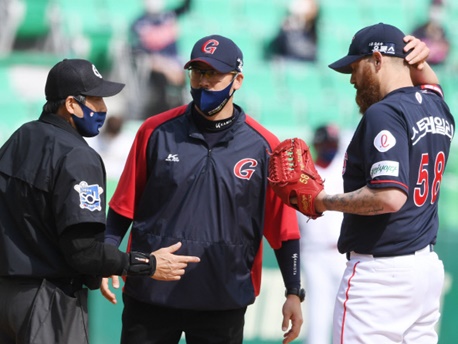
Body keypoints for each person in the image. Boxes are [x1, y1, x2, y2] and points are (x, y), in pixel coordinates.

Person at [101, 34, 304, 344]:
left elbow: (284, 229)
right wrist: (106, 256)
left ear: (237, 80)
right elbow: (122, 207)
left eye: (214, 73)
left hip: (222, 298)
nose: (205, 82)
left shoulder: (264, 146)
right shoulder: (154, 131)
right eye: (198, 72)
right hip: (152, 290)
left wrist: (293, 291)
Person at [0, 58, 200, 344]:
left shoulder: (19, 137)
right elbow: (84, 253)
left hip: (6, 295)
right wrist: (149, 264)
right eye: (95, 100)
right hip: (48, 301)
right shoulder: (78, 156)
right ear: (71, 104)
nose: (104, 109)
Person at [308, 23, 454, 343]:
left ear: (376, 60)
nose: (351, 78)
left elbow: (388, 196)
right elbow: (433, 85)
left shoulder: (383, 113)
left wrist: (323, 201)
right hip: (424, 271)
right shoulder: (437, 105)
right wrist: (420, 63)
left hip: (380, 279)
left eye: (355, 66)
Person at [298, 124, 347, 344]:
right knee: (318, 318)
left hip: (343, 253)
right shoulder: (305, 174)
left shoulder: (343, 168)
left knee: (347, 319)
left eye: (333, 143)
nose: (331, 148)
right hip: (314, 253)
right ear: (317, 144)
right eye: (327, 143)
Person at [130, 0, 192, 119]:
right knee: (161, 86)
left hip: (175, 63)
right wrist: (164, 67)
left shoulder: (169, 15)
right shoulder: (139, 23)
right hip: (154, 65)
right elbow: (139, 54)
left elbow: (187, 6)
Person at [411, 0, 450, 66]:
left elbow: (445, 54)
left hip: (437, 68)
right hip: (421, 66)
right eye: (434, 10)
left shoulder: (443, 32)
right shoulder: (418, 30)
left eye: (439, 10)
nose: (436, 13)